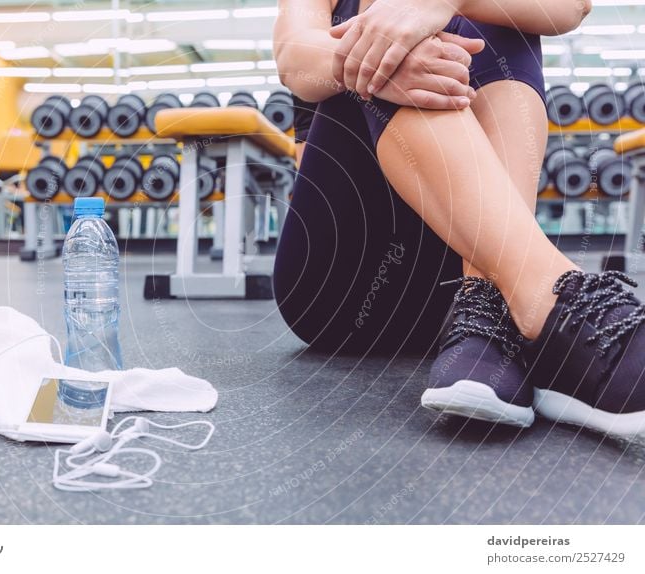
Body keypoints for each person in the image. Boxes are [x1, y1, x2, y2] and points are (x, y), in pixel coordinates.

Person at [272, 0, 645, 441]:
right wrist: (387, 51)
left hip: (457, 301)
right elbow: (294, 57)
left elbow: (570, 6)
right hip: (340, 287)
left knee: (493, 17)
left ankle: (487, 313)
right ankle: (553, 300)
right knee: (384, 36)